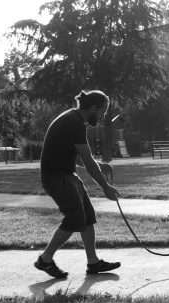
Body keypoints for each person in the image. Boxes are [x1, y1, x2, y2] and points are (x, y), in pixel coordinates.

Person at [35, 90, 121, 278]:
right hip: (56, 177)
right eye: (102, 112)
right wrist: (106, 187)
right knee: (75, 219)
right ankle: (45, 259)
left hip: (68, 175)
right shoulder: (74, 122)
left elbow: (82, 157)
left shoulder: (73, 119)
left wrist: (100, 166)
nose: (102, 117)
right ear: (92, 108)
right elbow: (88, 162)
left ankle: (93, 263)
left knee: (87, 217)